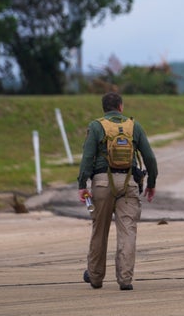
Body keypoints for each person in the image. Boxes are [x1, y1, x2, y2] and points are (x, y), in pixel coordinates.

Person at [77, 92, 158, 290]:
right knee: (127, 232)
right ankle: (125, 279)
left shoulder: (97, 126)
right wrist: (152, 183)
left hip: (103, 182)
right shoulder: (133, 126)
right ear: (121, 107)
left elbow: (87, 158)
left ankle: (95, 277)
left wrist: (82, 185)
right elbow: (150, 158)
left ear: (104, 108)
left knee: (99, 231)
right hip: (129, 182)